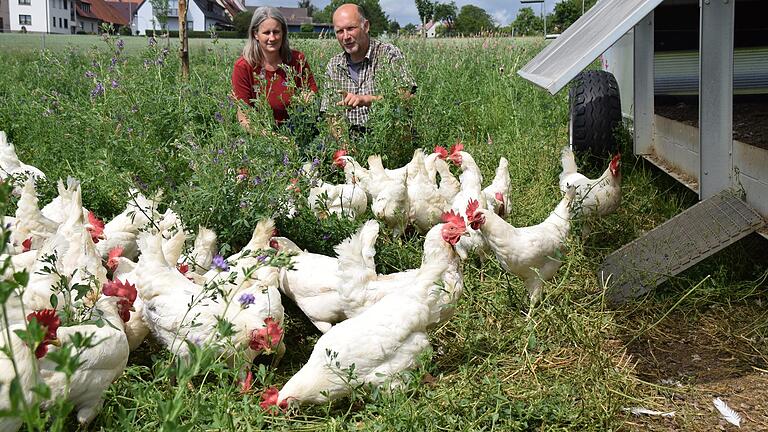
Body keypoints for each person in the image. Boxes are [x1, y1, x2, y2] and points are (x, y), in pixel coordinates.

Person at [321, 3, 416, 134]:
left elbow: (407, 96)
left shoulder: (388, 54)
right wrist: (345, 148)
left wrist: (366, 100)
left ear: (365, 26)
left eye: (350, 28)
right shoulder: (334, 65)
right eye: (339, 31)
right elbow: (330, 115)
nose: (346, 36)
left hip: (386, 136)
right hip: (349, 138)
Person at [232, 6, 318, 132]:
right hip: (260, 134)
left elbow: (312, 91)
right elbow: (244, 117)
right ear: (255, 34)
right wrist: (273, 138)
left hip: (297, 128)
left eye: (276, 32)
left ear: (283, 32)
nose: (272, 38)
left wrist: (307, 97)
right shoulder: (244, 66)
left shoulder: (297, 60)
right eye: (266, 33)